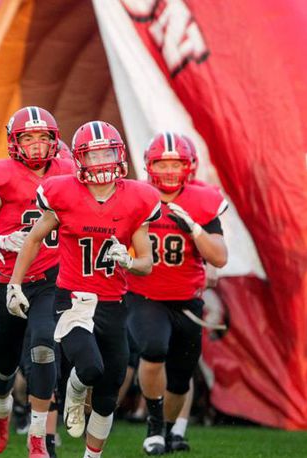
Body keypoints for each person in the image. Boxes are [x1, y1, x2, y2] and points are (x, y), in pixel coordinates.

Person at [9, 120, 161, 458]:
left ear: (119, 153)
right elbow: (33, 238)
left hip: (113, 302)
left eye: (107, 152)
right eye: (94, 155)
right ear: (80, 159)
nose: (102, 161)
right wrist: (15, 283)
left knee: (108, 395)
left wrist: (129, 261)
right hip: (73, 298)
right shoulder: (63, 191)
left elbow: (147, 263)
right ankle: (74, 394)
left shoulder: (138, 197)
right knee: (90, 367)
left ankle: (92, 456)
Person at [0, 106, 75, 456]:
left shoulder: (69, 171)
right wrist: (1, 241)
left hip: (51, 277)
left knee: (44, 348)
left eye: (44, 137)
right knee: (4, 365)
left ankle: (39, 438)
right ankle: (1, 409)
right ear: (15, 142)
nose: (37, 145)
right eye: (28, 137)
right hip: (7, 279)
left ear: (55, 140)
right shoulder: (2, 177)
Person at [127, 132, 227, 455]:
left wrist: (196, 230)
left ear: (189, 166)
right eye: (162, 163)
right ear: (150, 165)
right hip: (144, 294)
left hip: (186, 298)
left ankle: (170, 430)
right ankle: (155, 426)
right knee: (153, 349)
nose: (169, 171)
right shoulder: (135, 195)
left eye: (176, 164)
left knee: (181, 377)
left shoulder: (202, 199)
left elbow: (220, 257)